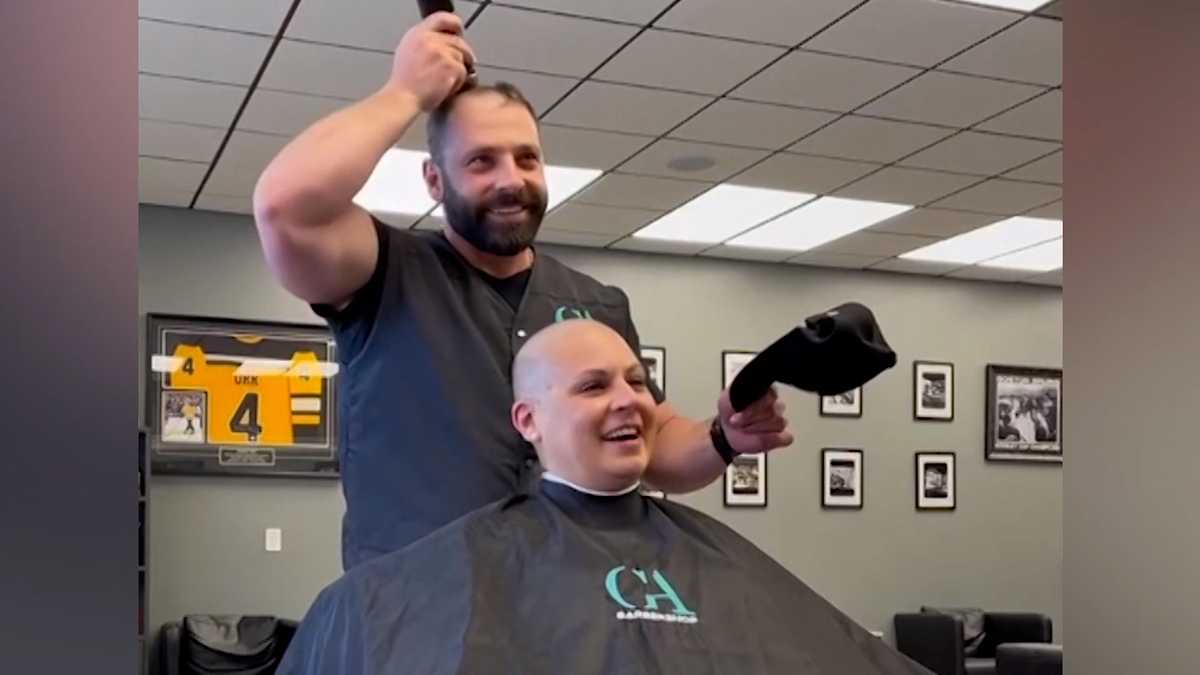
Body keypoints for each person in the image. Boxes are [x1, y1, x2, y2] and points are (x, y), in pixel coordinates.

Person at [252, 12, 793, 570]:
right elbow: (284, 205)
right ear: (435, 181)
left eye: (527, 158)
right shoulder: (386, 273)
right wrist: (406, 92)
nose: (510, 179)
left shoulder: (597, 307)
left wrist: (725, 436)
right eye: (481, 161)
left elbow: (658, 449)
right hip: (417, 616)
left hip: (562, 606)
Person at [276, 320, 930, 675]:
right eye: (593, 386)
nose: (628, 398)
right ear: (527, 421)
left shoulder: (713, 554)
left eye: (638, 381)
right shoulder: (444, 573)